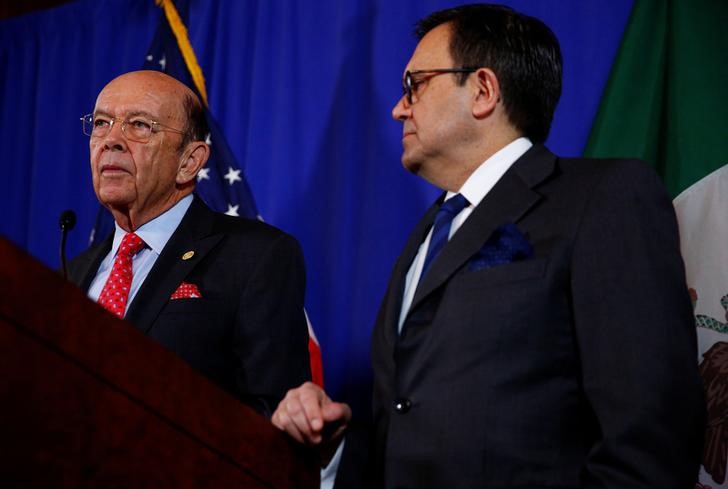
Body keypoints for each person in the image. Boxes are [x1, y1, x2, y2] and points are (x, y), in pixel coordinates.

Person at [272, 4, 705, 488]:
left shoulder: (605, 198)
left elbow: (650, 436)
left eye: (414, 84)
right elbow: (408, 418)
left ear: (482, 91)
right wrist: (334, 450)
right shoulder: (426, 235)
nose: (399, 107)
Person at [68, 70, 310, 417]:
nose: (111, 139)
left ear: (189, 162)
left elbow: (273, 414)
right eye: (103, 122)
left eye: (139, 125)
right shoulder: (71, 274)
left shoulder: (255, 256)